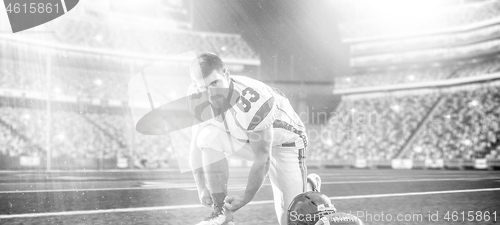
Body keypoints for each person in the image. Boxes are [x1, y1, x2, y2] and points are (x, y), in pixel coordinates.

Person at [188, 53, 320, 225]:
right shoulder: (195, 96)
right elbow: (195, 145)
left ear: (226, 75)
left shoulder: (254, 100)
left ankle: (308, 187)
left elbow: (263, 157)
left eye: (215, 83)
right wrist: (201, 188)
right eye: (204, 87)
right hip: (249, 139)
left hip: (285, 144)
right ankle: (221, 213)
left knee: (290, 220)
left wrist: (245, 198)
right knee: (206, 137)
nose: (211, 93)